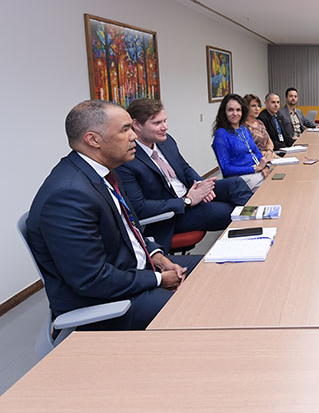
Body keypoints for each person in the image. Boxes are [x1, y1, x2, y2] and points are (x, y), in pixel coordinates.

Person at [26, 100, 202, 330]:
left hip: (133, 271)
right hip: (108, 301)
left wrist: (158, 257)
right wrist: (158, 279)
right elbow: (92, 279)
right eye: (125, 129)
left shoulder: (104, 172)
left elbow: (131, 229)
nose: (134, 137)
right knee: (198, 309)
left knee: (214, 267)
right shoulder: (68, 195)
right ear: (93, 140)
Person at [115, 98, 252, 252]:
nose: (165, 127)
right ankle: (254, 236)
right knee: (228, 210)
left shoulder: (166, 142)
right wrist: (187, 201)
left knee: (236, 184)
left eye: (165, 121)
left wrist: (202, 185)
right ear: (136, 125)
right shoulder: (127, 159)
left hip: (189, 194)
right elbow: (139, 208)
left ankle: (261, 223)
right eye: (157, 123)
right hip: (172, 214)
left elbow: (185, 169)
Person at [213, 93, 271, 191]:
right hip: (240, 178)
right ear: (224, 112)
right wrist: (256, 168)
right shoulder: (221, 134)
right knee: (271, 185)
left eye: (238, 110)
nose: (235, 113)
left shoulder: (244, 129)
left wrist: (264, 167)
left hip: (256, 172)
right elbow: (226, 169)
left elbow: (256, 152)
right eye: (230, 110)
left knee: (279, 176)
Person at [243, 93, 275, 161]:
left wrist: (269, 151)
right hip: (256, 160)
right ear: (246, 107)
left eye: (259, 106)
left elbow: (269, 141)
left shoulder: (260, 122)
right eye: (253, 106)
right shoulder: (243, 126)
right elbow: (247, 150)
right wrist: (264, 154)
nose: (257, 109)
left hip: (269, 155)